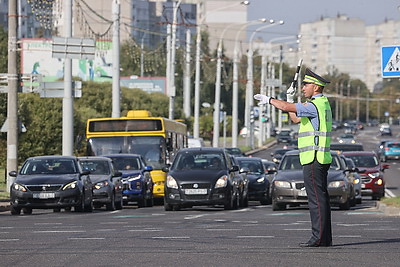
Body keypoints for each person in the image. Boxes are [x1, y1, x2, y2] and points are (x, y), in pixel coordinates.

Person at [254, 68, 333, 248]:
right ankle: (324, 238)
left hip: (314, 158)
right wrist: (290, 99)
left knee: (316, 200)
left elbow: (284, 108)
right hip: (319, 158)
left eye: (306, 84)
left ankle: (318, 238)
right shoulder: (321, 104)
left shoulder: (314, 105)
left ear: (316, 87)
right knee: (321, 200)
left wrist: (269, 100)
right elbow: (296, 119)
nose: (303, 87)